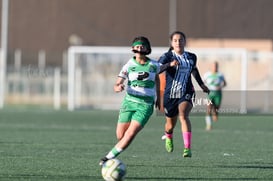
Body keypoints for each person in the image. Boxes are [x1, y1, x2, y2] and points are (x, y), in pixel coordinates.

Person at [99, 36, 162, 166]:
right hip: (129, 103)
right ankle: (117, 151)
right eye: (137, 46)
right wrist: (118, 87)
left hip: (145, 105)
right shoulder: (128, 65)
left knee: (131, 133)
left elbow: (158, 79)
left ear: (147, 49)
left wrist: (159, 98)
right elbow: (117, 84)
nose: (139, 49)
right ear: (133, 48)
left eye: (142, 46)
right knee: (120, 136)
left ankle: (107, 158)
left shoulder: (154, 65)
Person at [158, 31, 209, 157]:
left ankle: (187, 148)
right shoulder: (167, 57)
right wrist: (169, 65)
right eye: (175, 40)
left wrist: (201, 85)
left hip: (186, 92)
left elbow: (194, 70)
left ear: (184, 42)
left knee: (183, 115)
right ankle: (168, 136)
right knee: (170, 125)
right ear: (171, 43)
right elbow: (156, 69)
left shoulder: (192, 57)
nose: (178, 42)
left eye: (180, 40)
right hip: (170, 95)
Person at [203, 61, 226, 130]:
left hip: (218, 93)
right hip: (210, 94)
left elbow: (225, 83)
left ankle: (215, 113)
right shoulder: (207, 74)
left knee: (216, 108)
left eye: (216, 66)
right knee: (208, 108)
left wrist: (220, 87)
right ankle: (209, 125)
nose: (215, 67)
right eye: (213, 66)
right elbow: (202, 82)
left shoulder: (220, 75)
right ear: (211, 67)